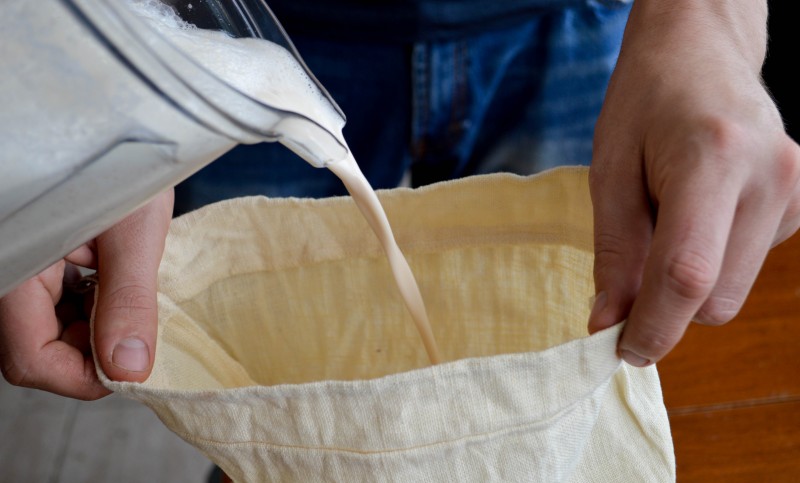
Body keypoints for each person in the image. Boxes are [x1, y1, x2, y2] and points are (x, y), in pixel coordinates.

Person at [1, 0, 798, 400]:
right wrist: (85, 78)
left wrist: (705, 21)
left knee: (591, 338)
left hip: (585, 32)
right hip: (229, 46)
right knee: (261, 378)